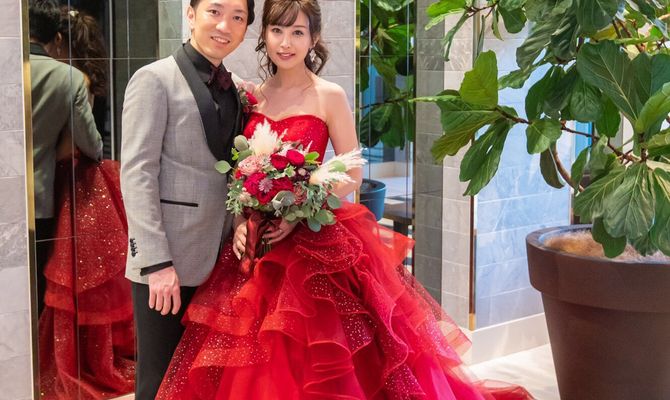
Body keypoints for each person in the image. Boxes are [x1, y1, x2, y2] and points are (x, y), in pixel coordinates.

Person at [156, 0, 534, 399]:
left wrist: (299, 210)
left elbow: (352, 174)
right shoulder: (252, 97)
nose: (286, 43)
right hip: (256, 247)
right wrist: (239, 223)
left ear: (313, 38)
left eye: (297, 32)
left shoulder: (328, 96)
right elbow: (240, 174)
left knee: (323, 359)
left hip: (313, 248)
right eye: (277, 31)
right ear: (263, 34)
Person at [119, 0, 255, 398]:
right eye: (215, 11)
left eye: (237, 17)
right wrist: (156, 263)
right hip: (168, 262)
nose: (224, 25)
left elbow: (232, 171)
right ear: (191, 14)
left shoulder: (239, 88)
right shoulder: (153, 79)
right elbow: (137, 174)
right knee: (160, 382)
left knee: (204, 384)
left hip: (222, 260)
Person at [37, 7, 135, 399]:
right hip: (80, 178)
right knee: (85, 278)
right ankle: (88, 358)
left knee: (75, 277)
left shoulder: (70, 78)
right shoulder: (77, 78)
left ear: (61, 41)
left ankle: (70, 359)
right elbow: (89, 142)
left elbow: (77, 142)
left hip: (71, 180)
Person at [28, 0, 103, 316]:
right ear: (55, 37)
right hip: (38, 197)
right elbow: (91, 144)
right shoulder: (68, 78)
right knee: (34, 290)